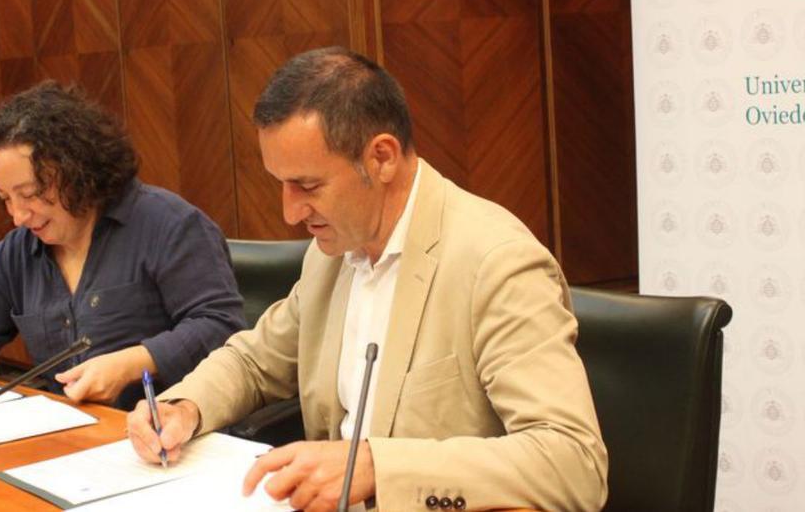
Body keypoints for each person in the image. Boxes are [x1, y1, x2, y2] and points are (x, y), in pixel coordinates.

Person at [127, 47, 608, 512]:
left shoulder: (496, 263)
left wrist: (378, 467)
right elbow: (255, 362)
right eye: (282, 184)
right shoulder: (332, 253)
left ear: (381, 157)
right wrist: (184, 407)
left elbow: (573, 462)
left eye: (308, 186)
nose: (290, 212)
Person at [0, 81, 245, 413]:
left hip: (169, 434)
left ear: (78, 169)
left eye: (31, 194)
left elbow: (220, 327)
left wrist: (133, 362)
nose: (18, 215)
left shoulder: (169, 225)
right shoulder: (17, 252)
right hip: (68, 437)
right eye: (5, 198)